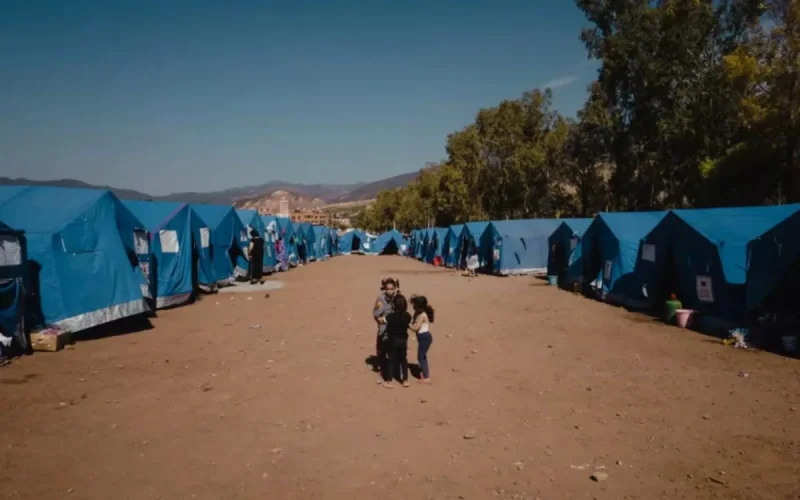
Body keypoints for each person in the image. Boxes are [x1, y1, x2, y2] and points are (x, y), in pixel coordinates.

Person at [382, 293, 411, 388]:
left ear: (393, 305)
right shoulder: (407, 316)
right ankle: (405, 380)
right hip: (403, 341)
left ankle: (389, 381)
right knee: (403, 360)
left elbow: (382, 320)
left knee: (391, 361)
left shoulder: (390, 317)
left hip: (392, 341)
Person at [372, 277, 398, 382]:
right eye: (387, 289)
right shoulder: (380, 299)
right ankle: (382, 368)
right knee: (381, 349)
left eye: (392, 289)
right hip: (383, 328)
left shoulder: (398, 298)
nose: (390, 291)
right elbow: (375, 313)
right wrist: (380, 320)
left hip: (395, 328)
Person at [410, 296, 435, 383]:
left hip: (425, 337)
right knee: (423, 356)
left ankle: (426, 377)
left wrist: (407, 325)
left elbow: (416, 328)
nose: (414, 307)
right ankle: (425, 372)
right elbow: (413, 321)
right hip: (421, 337)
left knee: (420, 357)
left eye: (416, 306)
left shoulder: (423, 316)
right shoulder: (418, 313)